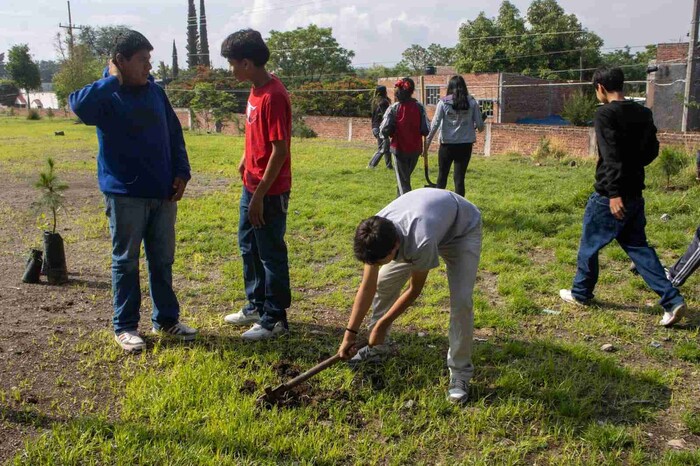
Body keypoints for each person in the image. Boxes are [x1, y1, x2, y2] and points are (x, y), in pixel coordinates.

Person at [69, 30, 197, 352]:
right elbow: (79, 107)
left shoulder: (155, 92)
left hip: (162, 193)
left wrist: (182, 171)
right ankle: (125, 326)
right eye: (142, 60)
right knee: (126, 262)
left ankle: (166, 320)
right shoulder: (105, 95)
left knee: (162, 260)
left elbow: (173, 132)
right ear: (120, 62)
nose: (148, 67)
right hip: (125, 196)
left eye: (149, 60)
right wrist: (113, 80)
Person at [559, 67, 687, 327]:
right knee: (638, 248)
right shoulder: (643, 113)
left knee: (589, 245)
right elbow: (652, 150)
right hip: (635, 192)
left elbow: (611, 154)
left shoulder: (605, 113)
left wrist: (614, 193)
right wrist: (632, 169)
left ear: (601, 88)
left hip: (610, 196)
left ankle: (581, 293)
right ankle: (672, 299)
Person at [338, 188, 482, 404]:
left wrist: (383, 324)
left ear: (394, 248)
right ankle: (378, 347)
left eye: (379, 262)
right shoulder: (377, 230)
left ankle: (460, 374)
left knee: (461, 302)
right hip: (432, 218)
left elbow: (414, 291)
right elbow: (367, 288)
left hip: (461, 228)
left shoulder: (419, 241)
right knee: (383, 282)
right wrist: (350, 334)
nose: (375, 266)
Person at [220, 29, 293, 340]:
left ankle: (274, 318)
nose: (231, 69)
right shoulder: (254, 89)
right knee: (248, 246)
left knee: (270, 253)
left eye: (232, 63)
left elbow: (280, 150)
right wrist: (244, 157)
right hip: (251, 185)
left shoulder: (274, 95)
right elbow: (257, 137)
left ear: (247, 62)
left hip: (269, 191)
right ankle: (256, 304)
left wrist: (260, 196)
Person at [424, 76, 484, 197]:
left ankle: (438, 206)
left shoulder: (443, 102)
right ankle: (460, 208)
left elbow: (434, 124)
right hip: (465, 145)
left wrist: (426, 145)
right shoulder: (472, 102)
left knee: (442, 177)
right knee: (459, 179)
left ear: (450, 87)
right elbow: (480, 126)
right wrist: (474, 126)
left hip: (447, 145)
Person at [380, 78, 430, 196]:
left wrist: (389, 132)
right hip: (415, 150)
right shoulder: (419, 107)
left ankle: (405, 206)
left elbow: (383, 130)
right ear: (412, 91)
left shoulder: (394, 108)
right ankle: (400, 201)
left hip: (399, 150)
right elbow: (426, 129)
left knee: (403, 181)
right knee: (404, 179)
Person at [367, 86, 392, 169]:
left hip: (375, 127)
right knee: (382, 148)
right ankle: (371, 165)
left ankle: (389, 166)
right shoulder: (384, 102)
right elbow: (386, 116)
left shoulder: (375, 101)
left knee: (386, 147)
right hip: (380, 128)